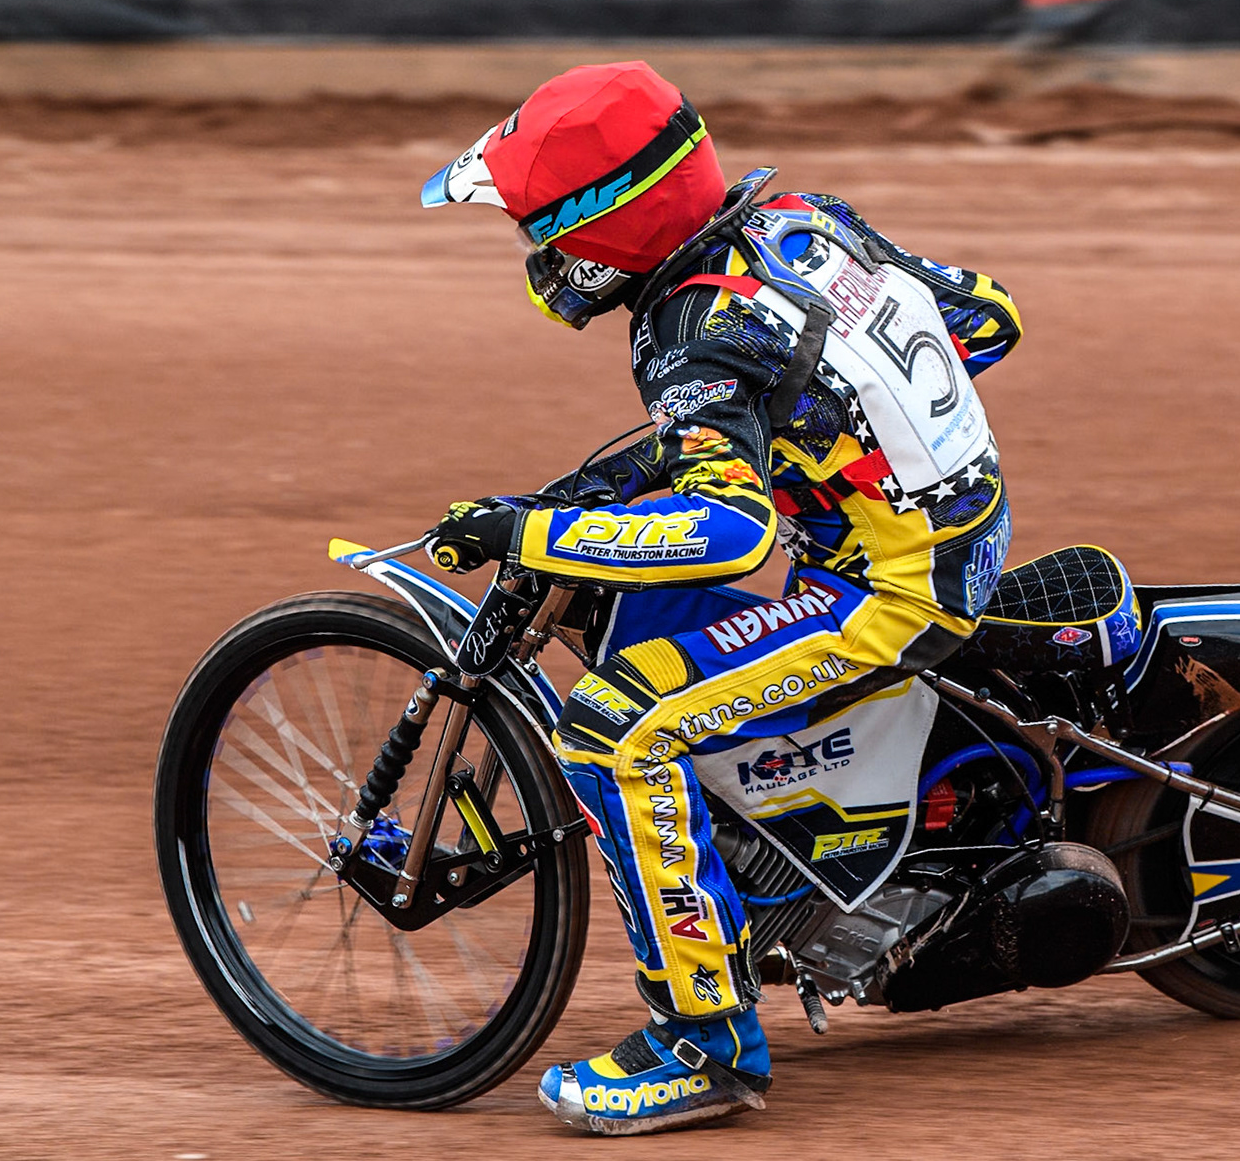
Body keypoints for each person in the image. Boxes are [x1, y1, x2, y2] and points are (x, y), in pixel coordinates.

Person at [419, 61, 1022, 1136]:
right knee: (647, 624)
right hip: (959, 524)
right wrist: (843, 420)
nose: (540, 255)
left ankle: (705, 1041)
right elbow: (986, 315)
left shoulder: (689, 328)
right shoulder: (799, 218)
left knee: (614, 732)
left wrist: (529, 530)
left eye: (544, 227)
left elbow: (730, 532)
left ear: (606, 225)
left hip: (889, 590)